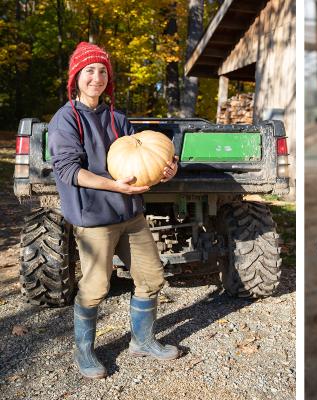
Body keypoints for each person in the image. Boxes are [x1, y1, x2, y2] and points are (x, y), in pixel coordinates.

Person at [48, 42, 180, 379]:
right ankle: (85, 352)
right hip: (94, 218)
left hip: (130, 215)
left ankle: (143, 340)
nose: (96, 77)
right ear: (76, 77)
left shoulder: (118, 118)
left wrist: (168, 168)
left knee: (151, 278)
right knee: (95, 288)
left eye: (102, 71)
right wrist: (114, 185)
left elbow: (145, 157)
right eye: (89, 71)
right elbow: (67, 170)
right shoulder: (65, 120)